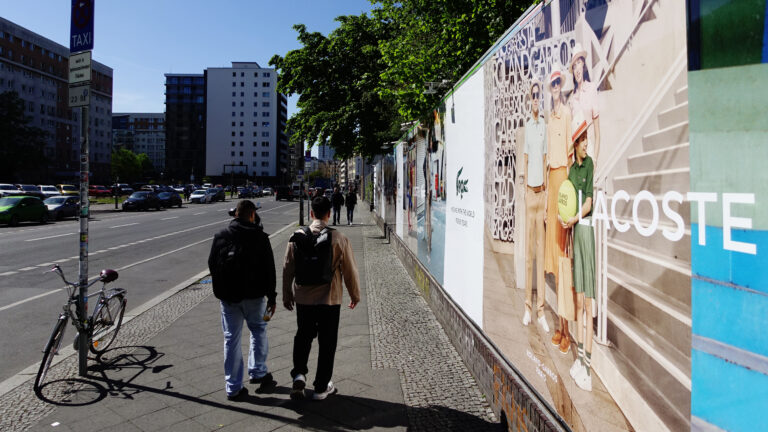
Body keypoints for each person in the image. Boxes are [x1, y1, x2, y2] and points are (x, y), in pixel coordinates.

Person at [282, 196, 361, 400]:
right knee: (327, 342)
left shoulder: (296, 237)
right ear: (329, 213)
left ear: (311, 214)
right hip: (329, 299)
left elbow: (287, 268)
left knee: (303, 337)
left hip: (303, 299)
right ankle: (320, 387)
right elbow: (350, 271)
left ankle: (299, 375)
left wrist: (286, 294)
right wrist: (354, 294)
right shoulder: (339, 238)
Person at [208, 199, 277, 401]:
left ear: (235, 214)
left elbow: (212, 264)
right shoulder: (260, 237)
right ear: (252, 215)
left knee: (231, 339)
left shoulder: (221, 236)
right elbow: (269, 270)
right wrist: (271, 296)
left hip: (228, 298)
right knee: (259, 331)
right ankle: (258, 371)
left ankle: (233, 387)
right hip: (255, 297)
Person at [561, 111, 595, 392]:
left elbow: (587, 204)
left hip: (586, 231)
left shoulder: (590, 165)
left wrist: (573, 219)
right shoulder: (572, 170)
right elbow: (569, 202)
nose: (586, 143)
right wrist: (565, 218)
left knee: (589, 303)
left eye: (586, 139)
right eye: (582, 139)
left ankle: (588, 367)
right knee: (580, 300)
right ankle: (581, 360)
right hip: (575, 232)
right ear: (575, 144)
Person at [545, 69, 574, 355]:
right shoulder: (548, 117)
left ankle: (566, 330)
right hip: (551, 182)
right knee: (553, 259)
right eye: (551, 84)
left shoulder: (565, 114)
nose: (555, 87)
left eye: (557, 83)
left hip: (563, 178)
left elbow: (567, 151)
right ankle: (558, 324)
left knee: (563, 257)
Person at [522, 79, 549, 334]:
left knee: (540, 255)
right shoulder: (528, 126)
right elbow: (527, 158)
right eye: (533, 95)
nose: (536, 99)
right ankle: (527, 307)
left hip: (542, 194)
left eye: (539, 95)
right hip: (530, 194)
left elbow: (544, 160)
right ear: (529, 98)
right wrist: (524, 191)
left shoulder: (545, 127)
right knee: (529, 254)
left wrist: (547, 194)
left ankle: (541, 310)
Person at [569, 43, 601, 164]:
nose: (577, 69)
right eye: (574, 66)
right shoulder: (572, 99)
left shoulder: (592, 89)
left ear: (583, 65)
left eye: (579, 63)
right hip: (577, 155)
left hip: (590, 150)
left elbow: (598, 133)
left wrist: (595, 160)